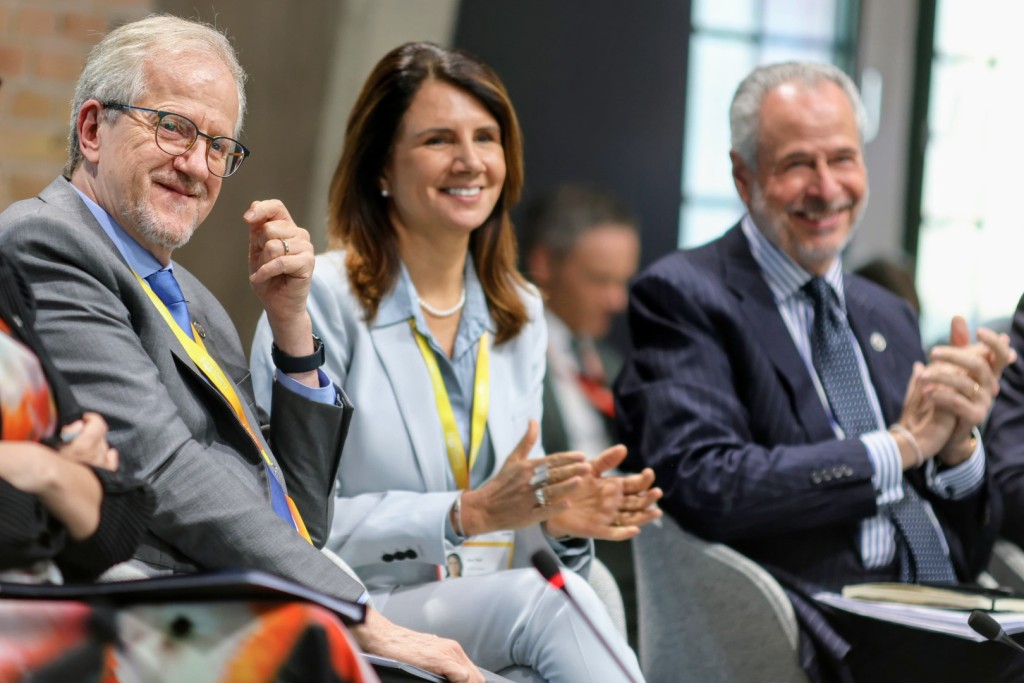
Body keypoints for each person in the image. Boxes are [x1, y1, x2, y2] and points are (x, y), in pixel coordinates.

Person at [0, 16, 482, 682]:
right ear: (91, 130)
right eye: (174, 127)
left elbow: (300, 513)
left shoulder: (193, 300)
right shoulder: (47, 242)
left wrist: (291, 325)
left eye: (219, 145)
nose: (197, 165)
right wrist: (358, 614)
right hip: (158, 601)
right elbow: (163, 468)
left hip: (259, 589)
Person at [251, 41, 660, 682]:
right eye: (439, 139)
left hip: (484, 609)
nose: (470, 160)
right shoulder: (317, 299)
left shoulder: (520, 311)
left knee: (561, 609)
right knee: (553, 607)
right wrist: (465, 513)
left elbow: (516, 520)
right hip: (363, 609)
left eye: (486, 138)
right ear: (382, 167)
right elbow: (287, 522)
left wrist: (557, 520)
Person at [614, 61, 1019, 683]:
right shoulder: (684, 296)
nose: (827, 188)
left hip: (948, 607)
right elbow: (708, 482)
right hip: (828, 620)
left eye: (843, 159)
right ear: (744, 176)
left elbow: (969, 546)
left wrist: (957, 445)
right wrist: (899, 447)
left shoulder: (887, 311)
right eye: (798, 163)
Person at [0, 248, 153, 583]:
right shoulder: (48, 242)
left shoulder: (5, 279)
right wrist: (51, 473)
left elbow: (120, 516)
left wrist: (45, 470)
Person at [523, 185, 640, 456]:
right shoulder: (510, 357)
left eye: (623, 281)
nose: (618, 301)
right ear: (544, 263)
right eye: (600, 280)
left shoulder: (610, 364)